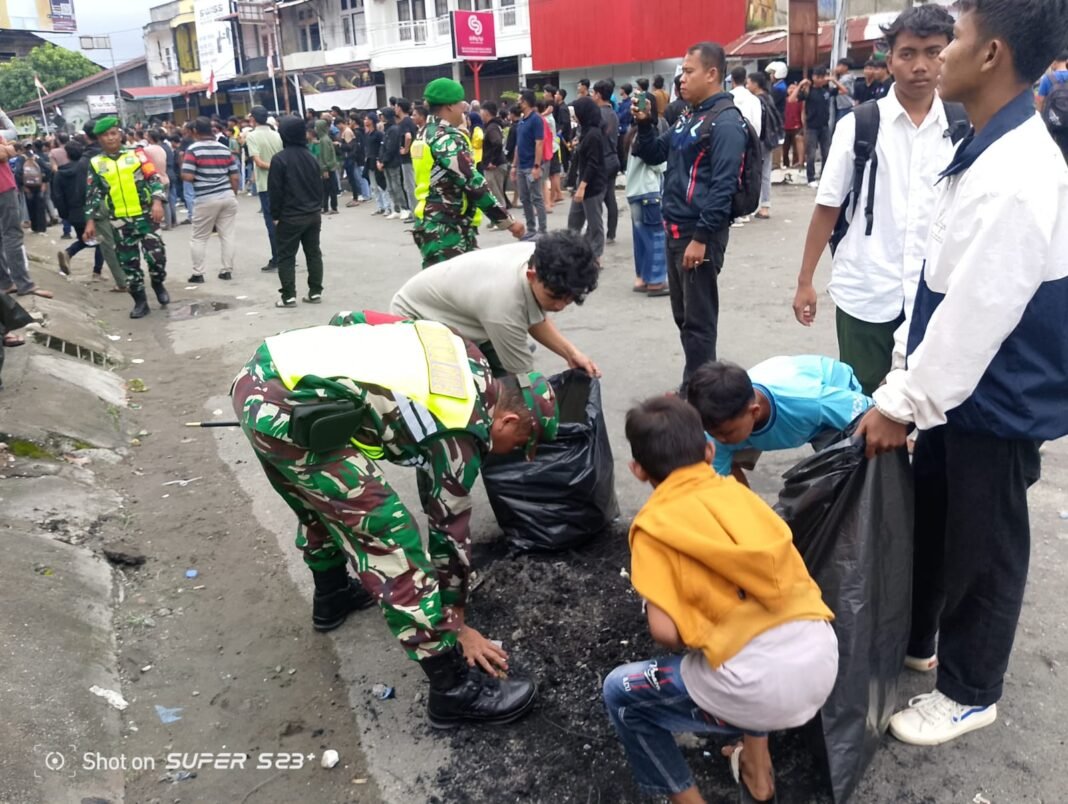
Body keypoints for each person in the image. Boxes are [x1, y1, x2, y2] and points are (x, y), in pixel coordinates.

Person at [857, 0, 1068, 747]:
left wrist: (903, 402)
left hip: (997, 393)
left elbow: (979, 312)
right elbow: (938, 283)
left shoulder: (1020, 172)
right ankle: (927, 642)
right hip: (957, 389)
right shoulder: (983, 144)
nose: (938, 56)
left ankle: (972, 690)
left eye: (958, 40)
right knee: (943, 520)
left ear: (992, 55)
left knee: (987, 541)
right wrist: (904, 380)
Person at [231, 313, 559, 727]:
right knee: (391, 540)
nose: (513, 453)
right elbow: (450, 533)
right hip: (287, 408)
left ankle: (332, 596)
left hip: (268, 370)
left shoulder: (462, 350)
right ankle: (454, 690)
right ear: (508, 420)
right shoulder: (462, 426)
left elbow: (353, 319)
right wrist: (456, 623)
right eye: (521, 445)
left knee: (323, 499)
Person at [604, 395, 838, 804]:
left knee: (620, 693)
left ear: (638, 471)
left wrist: (663, 604)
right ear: (709, 450)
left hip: (756, 689)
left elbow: (665, 633)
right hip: (820, 658)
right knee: (744, 629)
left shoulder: (654, 526)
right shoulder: (741, 497)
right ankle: (757, 767)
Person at [793, 4, 959, 395]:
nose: (921, 65)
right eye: (908, 54)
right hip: (866, 290)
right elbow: (828, 208)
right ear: (889, 60)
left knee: (933, 400)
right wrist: (805, 282)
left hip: (938, 293)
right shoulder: (860, 125)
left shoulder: (964, 126)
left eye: (933, 52)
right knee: (864, 399)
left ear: (948, 55)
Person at [633, 42, 749, 396]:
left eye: (688, 71)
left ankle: (700, 396)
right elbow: (654, 153)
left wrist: (701, 237)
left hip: (699, 235)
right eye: (681, 72)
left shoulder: (726, 122)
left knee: (699, 323)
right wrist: (647, 124)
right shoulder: (689, 116)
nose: (681, 79)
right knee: (684, 318)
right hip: (674, 230)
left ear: (712, 74)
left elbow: (724, 187)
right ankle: (696, 385)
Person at [391, 232, 600, 376]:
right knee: (473, 393)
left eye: (569, 298)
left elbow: (533, 316)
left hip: (462, 312)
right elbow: (523, 378)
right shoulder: (504, 302)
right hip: (417, 320)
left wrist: (572, 354)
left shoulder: (542, 256)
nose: (560, 306)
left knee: (503, 376)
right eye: (554, 297)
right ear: (531, 276)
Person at [688, 356, 872, 485]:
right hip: (785, 402)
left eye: (726, 433)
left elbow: (874, 416)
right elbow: (720, 485)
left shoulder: (812, 401)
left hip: (831, 398)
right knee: (722, 464)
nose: (720, 440)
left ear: (754, 412)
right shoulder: (719, 429)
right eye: (713, 434)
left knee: (844, 470)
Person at [410, 78, 523, 269]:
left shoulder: (424, 133)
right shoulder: (446, 138)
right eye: (461, 102)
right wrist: (507, 222)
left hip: (433, 221)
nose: (464, 107)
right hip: (447, 227)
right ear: (449, 106)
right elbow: (472, 183)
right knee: (450, 291)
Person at [83, 116, 168, 318]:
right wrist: (90, 221)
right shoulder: (96, 163)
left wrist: (157, 202)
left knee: (157, 258)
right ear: (99, 139)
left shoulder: (137, 154)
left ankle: (158, 283)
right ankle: (140, 302)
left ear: (119, 134)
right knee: (129, 265)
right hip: (119, 221)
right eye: (105, 135)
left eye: (113, 133)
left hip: (146, 216)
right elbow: (92, 194)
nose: (110, 138)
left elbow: (153, 178)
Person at [268, 116, 325, 308]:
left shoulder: (279, 159)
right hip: (312, 213)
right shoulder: (311, 157)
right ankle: (315, 292)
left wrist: (275, 216)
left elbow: (275, 191)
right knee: (313, 253)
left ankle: (288, 296)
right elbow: (319, 186)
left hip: (290, 216)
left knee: (286, 256)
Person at [0, 111, 52, 299]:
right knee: (12, 235)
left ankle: (6, 282)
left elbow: (11, 148)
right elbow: (8, 148)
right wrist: (7, 149)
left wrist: (8, 149)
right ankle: (24, 284)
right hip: (3, 188)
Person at [182, 116, 239, 285]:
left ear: (194, 131)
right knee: (227, 234)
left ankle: (198, 273)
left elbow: (187, 176)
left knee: (199, 237)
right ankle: (227, 270)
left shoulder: (193, 150)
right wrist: (232, 193)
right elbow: (234, 176)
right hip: (227, 196)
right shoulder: (224, 148)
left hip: (206, 198)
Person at [624, 92, 668, 296]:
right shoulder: (647, 133)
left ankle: (641, 277)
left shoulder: (631, 134)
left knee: (641, 238)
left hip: (633, 191)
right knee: (656, 237)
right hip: (649, 191)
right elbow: (656, 162)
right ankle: (656, 281)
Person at [53, 141, 104, 278]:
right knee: (100, 240)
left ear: (67, 155)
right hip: (91, 210)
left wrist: (65, 215)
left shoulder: (60, 173)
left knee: (86, 238)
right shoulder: (87, 168)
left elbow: (57, 197)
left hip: (73, 213)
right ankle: (96, 271)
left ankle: (68, 253)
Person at [567, 97, 608, 260]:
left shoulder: (594, 134)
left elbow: (593, 164)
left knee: (594, 224)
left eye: (576, 113)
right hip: (582, 183)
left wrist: (583, 187)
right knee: (574, 222)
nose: (574, 116)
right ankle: (573, 253)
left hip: (592, 185)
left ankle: (595, 256)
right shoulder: (585, 131)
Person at [244, 106, 284, 271]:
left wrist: (274, 167)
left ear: (253, 119)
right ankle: (286, 256)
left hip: (266, 184)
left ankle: (277, 258)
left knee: (271, 222)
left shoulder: (252, 136)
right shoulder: (276, 134)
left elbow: (259, 162)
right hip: (281, 182)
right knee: (283, 221)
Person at [512, 89, 547, 240]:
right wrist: (514, 165)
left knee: (537, 198)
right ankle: (531, 228)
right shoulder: (522, 120)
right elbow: (518, 146)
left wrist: (537, 166)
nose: (518, 103)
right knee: (525, 198)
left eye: (519, 100)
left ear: (525, 102)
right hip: (521, 167)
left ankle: (542, 230)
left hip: (531, 166)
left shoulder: (536, 119)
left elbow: (539, 143)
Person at [797, 67, 837, 187]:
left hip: (824, 126)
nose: (819, 79)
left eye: (822, 77)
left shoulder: (826, 90)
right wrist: (800, 85)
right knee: (811, 153)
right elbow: (792, 99)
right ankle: (811, 178)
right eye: (817, 77)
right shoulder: (809, 90)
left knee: (826, 153)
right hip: (811, 127)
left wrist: (833, 80)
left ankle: (824, 176)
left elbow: (844, 91)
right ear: (813, 77)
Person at [593, 79, 621, 244]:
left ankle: (596, 234)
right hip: (613, 158)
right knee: (610, 197)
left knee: (595, 199)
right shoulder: (613, 113)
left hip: (601, 160)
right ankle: (611, 233)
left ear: (598, 94)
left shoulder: (598, 114)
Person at [748, 72, 779, 220]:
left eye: (749, 83)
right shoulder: (769, 97)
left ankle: (763, 207)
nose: (748, 86)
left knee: (759, 174)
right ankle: (765, 205)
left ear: (755, 84)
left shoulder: (756, 100)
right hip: (769, 139)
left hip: (760, 140)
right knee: (765, 173)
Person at [479, 101, 508, 211]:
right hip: (497, 164)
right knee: (496, 192)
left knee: (496, 194)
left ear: (486, 112)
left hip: (494, 166)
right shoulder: (494, 126)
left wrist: (492, 161)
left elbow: (497, 143)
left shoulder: (492, 127)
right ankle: (499, 218)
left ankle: (502, 218)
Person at [378, 109, 407, 220]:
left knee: (397, 186)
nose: (381, 117)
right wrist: (380, 160)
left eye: (383, 115)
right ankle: (396, 209)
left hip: (393, 162)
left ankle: (404, 208)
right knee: (390, 187)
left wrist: (383, 161)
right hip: (386, 162)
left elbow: (391, 148)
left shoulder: (394, 129)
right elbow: (382, 146)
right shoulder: (387, 129)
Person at [364, 114, 391, 216]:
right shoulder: (367, 134)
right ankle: (380, 207)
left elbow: (382, 147)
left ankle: (388, 207)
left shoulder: (378, 134)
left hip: (377, 160)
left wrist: (380, 159)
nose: (365, 121)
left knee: (382, 185)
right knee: (374, 186)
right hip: (369, 161)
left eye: (367, 119)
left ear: (372, 121)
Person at [396, 98, 418, 222]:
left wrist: (405, 149)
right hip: (410, 157)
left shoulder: (405, 122)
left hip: (407, 158)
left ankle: (415, 213)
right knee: (408, 185)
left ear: (399, 108)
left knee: (410, 186)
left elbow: (408, 136)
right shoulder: (408, 121)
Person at [314, 118, 339, 215]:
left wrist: (324, 169)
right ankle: (328, 207)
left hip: (327, 168)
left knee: (327, 189)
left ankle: (330, 208)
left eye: (316, 127)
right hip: (330, 167)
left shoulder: (324, 140)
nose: (315, 129)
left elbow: (326, 156)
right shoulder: (325, 139)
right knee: (329, 188)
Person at [782, 82, 804, 169]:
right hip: (786, 126)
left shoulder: (800, 102)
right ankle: (785, 164)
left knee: (796, 148)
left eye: (794, 88)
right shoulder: (784, 101)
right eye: (790, 88)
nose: (791, 90)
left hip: (796, 126)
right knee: (785, 148)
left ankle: (796, 163)